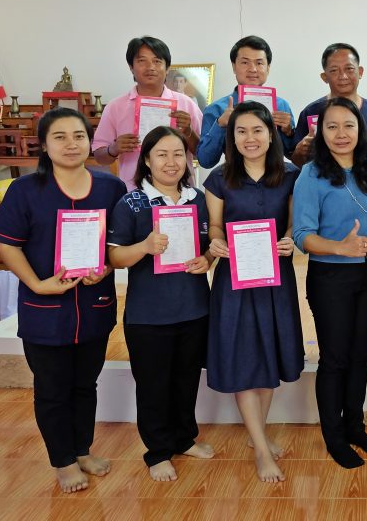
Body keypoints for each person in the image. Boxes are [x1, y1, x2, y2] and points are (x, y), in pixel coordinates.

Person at [0, 108, 126, 493]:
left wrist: (106, 266)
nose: (71, 144)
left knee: (86, 384)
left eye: (79, 136)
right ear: (44, 145)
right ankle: (63, 460)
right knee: (52, 389)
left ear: (90, 141)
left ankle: (82, 449)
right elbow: (7, 245)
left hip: (94, 303)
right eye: (60, 137)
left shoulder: (110, 188)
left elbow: (118, 243)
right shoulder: (25, 190)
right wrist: (37, 285)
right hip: (45, 310)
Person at [204, 101, 304, 482]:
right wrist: (215, 243)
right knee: (244, 356)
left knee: (268, 354)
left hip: (276, 279)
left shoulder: (291, 175)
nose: (250, 138)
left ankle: (256, 433)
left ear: (271, 133)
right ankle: (261, 448)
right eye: (241, 131)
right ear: (232, 137)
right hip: (235, 281)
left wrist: (290, 239)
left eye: (257, 130)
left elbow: (293, 225)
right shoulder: (218, 178)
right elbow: (215, 227)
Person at [107, 126, 215, 482]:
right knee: (153, 385)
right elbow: (115, 257)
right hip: (148, 316)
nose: (171, 162)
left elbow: (208, 246)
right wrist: (144, 247)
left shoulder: (198, 199)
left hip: (194, 308)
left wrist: (207, 260)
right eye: (162, 154)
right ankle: (157, 451)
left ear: (188, 160)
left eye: (178, 154)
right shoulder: (131, 203)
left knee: (186, 380)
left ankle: (184, 438)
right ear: (148, 161)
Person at [292, 97, 367, 469]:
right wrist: (340, 247)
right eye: (331, 127)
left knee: (360, 354)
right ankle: (334, 438)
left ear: (360, 129)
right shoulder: (311, 174)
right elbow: (302, 235)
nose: (341, 133)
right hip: (329, 276)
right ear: (321, 132)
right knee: (335, 359)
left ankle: (355, 428)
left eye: (348, 125)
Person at [92, 36, 203, 191]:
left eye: (157, 61)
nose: (150, 67)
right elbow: (99, 157)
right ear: (131, 67)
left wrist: (188, 132)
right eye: (142, 61)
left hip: (180, 194)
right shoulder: (115, 107)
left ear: (167, 68)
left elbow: (204, 156)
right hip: (133, 193)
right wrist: (114, 149)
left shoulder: (187, 104)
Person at [197, 35, 295, 168]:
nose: (253, 69)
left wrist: (289, 132)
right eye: (245, 62)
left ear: (268, 68)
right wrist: (220, 125)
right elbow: (206, 161)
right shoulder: (217, 109)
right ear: (234, 66)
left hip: (276, 177)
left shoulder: (281, 106)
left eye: (259, 63)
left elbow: (293, 155)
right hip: (234, 178)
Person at [291, 43, 367, 168]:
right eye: (334, 70)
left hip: (365, 179)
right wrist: (299, 151)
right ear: (324, 77)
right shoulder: (310, 112)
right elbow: (297, 162)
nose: (343, 76)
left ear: (360, 72)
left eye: (349, 69)